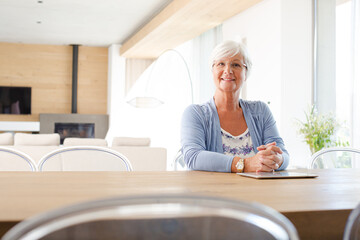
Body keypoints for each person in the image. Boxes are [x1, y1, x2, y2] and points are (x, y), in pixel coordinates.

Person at [181, 40, 289, 173]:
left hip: (257, 193)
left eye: (236, 65)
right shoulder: (195, 113)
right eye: (221, 64)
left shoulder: (261, 111)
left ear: (246, 72)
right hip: (213, 192)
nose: (228, 71)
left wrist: (277, 159)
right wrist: (245, 164)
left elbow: (283, 154)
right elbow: (193, 157)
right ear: (213, 70)